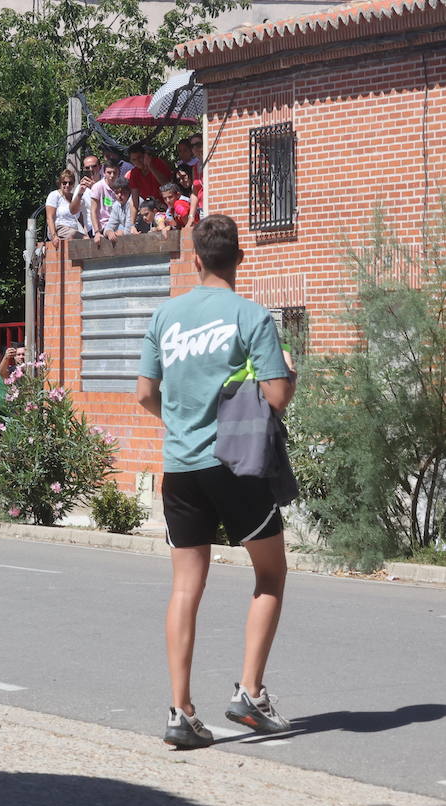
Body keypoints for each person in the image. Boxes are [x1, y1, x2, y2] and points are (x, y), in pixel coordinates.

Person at [135, 214, 296, 750]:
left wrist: (181, 425)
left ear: (196, 259)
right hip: (235, 466)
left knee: (185, 587)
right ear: (240, 259)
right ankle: (250, 694)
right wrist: (287, 371)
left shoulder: (165, 315)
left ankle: (180, 711)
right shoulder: (252, 316)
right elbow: (276, 397)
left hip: (180, 468)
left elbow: (143, 394)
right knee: (270, 575)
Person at [126, 143, 174, 207]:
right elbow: (135, 199)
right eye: (134, 160)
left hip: (167, 204)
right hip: (150, 207)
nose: (137, 161)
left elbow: (167, 184)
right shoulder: (134, 173)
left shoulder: (157, 163)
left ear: (144, 155)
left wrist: (150, 166)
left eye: (139, 157)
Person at [45, 169, 83, 246]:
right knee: (79, 236)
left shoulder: (75, 198)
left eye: (70, 183)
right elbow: (50, 218)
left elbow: (80, 219)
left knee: (87, 239)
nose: (67, 185)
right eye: (64, 183)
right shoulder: (54, 195)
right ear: (60, 183)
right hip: (59, 228)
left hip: (74, 229)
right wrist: (54, 236)